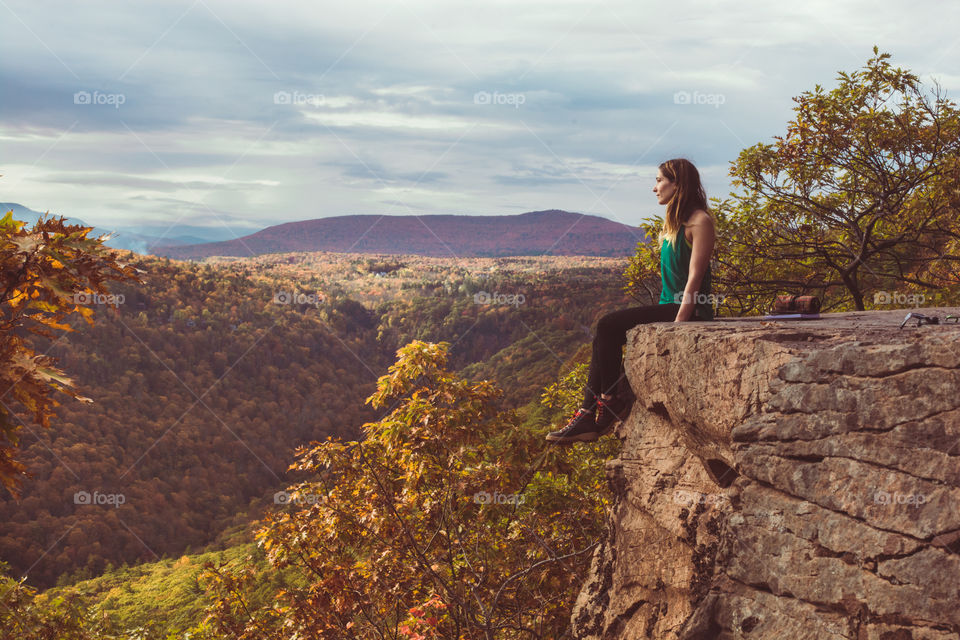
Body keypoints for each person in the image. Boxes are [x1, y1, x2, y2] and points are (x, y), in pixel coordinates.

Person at [546, 158, 716, 444]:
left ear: (678, 184)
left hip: (689, 308)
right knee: (603, 333)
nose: (655, 187)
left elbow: (695, 278)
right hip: (669, 304)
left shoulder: (700, 222)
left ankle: (605, 402)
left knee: (608, 325)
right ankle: (589, 413)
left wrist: (679, 323)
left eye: (660, 180)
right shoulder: (672, 226)